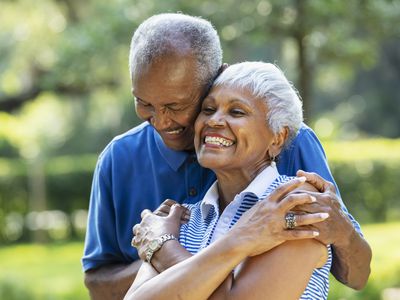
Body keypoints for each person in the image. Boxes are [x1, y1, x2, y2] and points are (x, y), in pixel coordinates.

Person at [82, 13, 371, 300]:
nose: (161, 121)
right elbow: (109, 289)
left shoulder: (290, 199)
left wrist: (162, 249)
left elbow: (356, 274)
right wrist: (209, 247)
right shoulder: (177, 215)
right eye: (144, 103)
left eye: (176, 105)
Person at [125, 61, 332, 299]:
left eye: (236, 112)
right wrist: (243, 239)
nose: (214, 121)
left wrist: (163, 247)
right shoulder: (180, 217)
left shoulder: (296, 203)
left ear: (277, 137)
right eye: (208, 109)